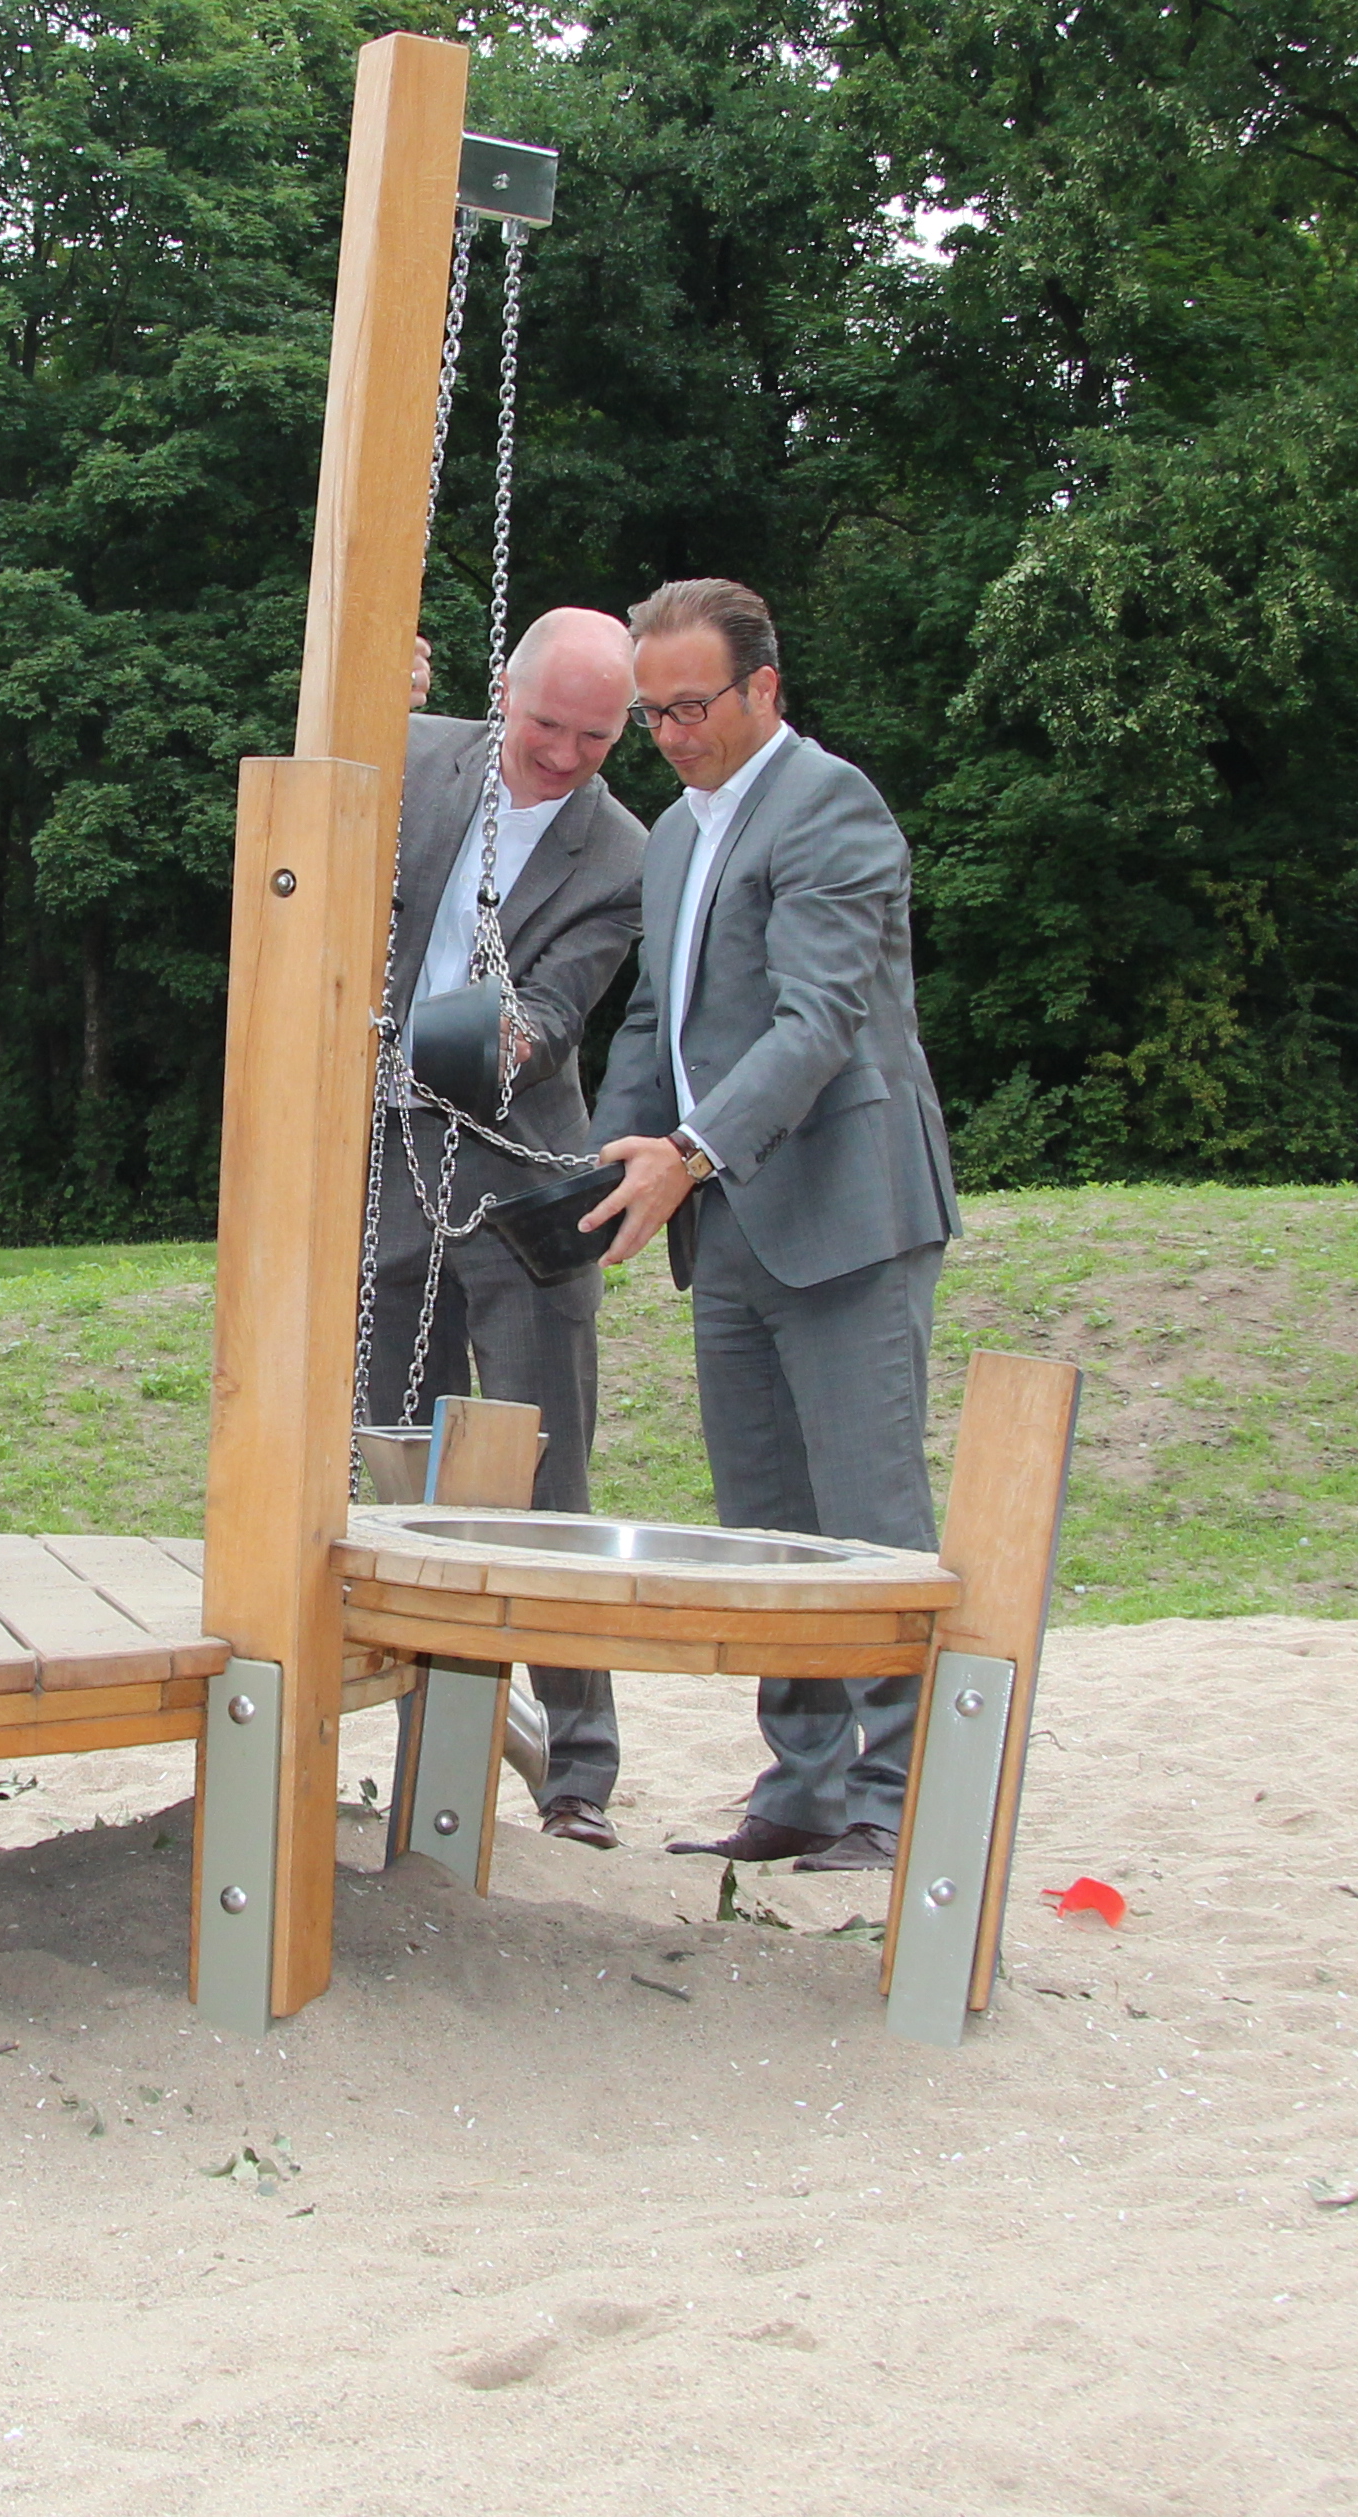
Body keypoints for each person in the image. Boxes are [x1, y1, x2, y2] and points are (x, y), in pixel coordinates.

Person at [580, 577, 959, 1872]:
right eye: (653, 714)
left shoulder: (831, 807)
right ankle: (801, 1785)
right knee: (768, 1523)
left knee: (869, 1521)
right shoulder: (679, 834)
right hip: (727, 1218)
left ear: (764, 690)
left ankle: (898, 1804)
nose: (672, 733)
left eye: (693, 706)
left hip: (846, 1212)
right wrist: (587, 1170)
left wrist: (684, 1155)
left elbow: (819, 1024)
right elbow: (653, 1024)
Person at [368, 606, 650, 1843]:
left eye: (597, 737)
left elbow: (560, 1002)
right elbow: (308, 832)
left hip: (523, 1178)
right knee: (398, 1467)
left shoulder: (623, 852)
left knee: (550, 1473)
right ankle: (424, 1733)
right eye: (547, 725)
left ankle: (579, 1764)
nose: (566, 755)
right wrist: (359, 695)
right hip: (379, 1169)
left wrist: (507, 1038)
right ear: (504, 690)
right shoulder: (413, 753)